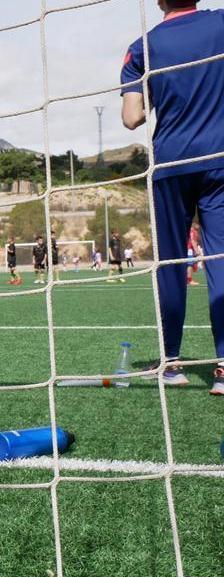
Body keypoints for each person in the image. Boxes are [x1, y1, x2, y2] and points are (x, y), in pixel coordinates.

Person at [121, 0, 224, 388]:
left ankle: (173, 364)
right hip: (220, 158)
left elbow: (132, 117)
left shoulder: (142, 46)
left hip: (171, 163)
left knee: (171, 263)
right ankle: (223, 369)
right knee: (221, 259)